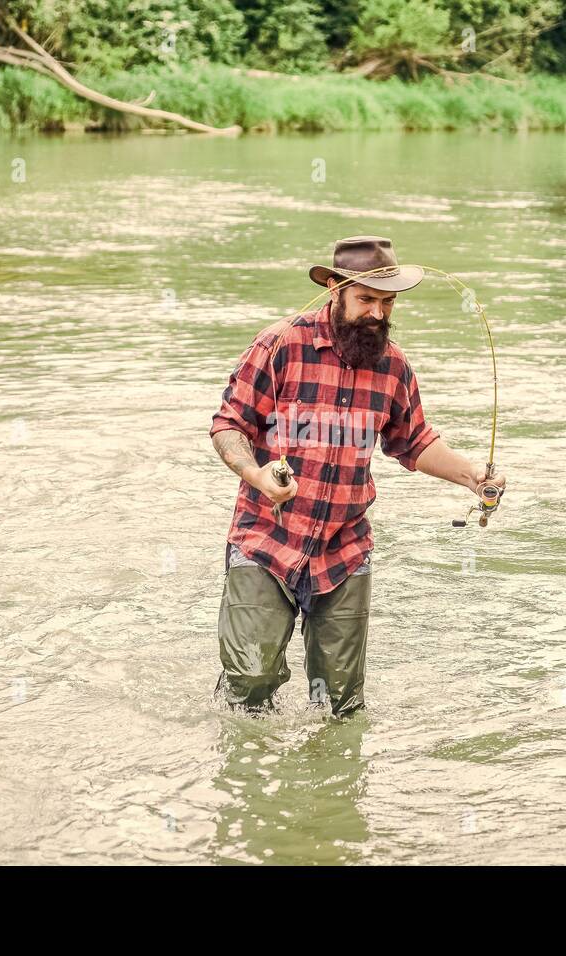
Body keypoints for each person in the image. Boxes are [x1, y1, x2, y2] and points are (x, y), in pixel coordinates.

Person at [209, 236, 507, 717]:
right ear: (334, 289)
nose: (377, 314)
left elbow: (413, 441)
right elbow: (228, 426)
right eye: (366, 299)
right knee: (251, 680)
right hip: (265, 539)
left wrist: (472, 476)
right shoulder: (280, 345)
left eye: (386, 302)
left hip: (344, 551)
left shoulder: (394, 367)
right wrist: (256, 473)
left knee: (341, 704)